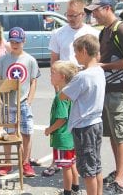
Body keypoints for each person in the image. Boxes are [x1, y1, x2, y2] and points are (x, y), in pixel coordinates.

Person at [85, 0, 123, 194]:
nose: (93, 14)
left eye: (95, 10)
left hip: (120, 90)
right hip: (107, 90)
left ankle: (120, 181)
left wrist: (105, 66)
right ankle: (120, 172)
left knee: (121, 135)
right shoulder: (106, 31)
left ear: (107, 8)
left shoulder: (122, 28)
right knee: (113, 135)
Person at [59, 34, 106, 195]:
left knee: (87, 170)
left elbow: (63, 96)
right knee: (95, 165)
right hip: (96, 123)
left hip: (84, 126)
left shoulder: (82, 76)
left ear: (84, 51)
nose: (75, 56)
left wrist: (66, 80)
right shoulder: (98, 70)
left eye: (76, 52)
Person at [0, 27, 39, 177]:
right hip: (7, 103)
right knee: (8, 134)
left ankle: (25, 163)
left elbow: (33, 81)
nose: (15, 44)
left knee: (26, 133)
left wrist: (30, 100)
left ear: (24, 41)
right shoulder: (3, 59)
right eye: (12, 41)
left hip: (24, 102)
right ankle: (7, 164)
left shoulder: (30, 60)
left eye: (18, 42)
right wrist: (0, 97)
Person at [45, 61, 81, 195]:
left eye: (53, 73)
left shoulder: (60, 96)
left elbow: (62, 118)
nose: (50, 76)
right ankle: (76, 189)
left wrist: (50, 129)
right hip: (70, 136)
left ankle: (67, 192)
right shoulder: (69, 92)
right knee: (71, 164)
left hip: (62, 137)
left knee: (66, 167)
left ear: (62, 77)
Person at [49, 0, 99, 67]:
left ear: (83, 15)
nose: (70, 19)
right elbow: (54, 60)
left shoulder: (94, 33)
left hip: (86, 74)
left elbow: (97, 57)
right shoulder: (57, 33)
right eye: (68, 15)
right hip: (66, 75)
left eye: (74, 16)